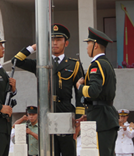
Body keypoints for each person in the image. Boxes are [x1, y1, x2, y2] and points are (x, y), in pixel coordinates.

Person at [13, 23, 85, 156]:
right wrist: (34, 47)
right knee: (49, 151)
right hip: (46, 109)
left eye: (58, 40)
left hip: (65, 110)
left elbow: (80, 93)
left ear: (66, 43)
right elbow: (16, 61)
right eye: (51, 40)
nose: (55, 43)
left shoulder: (74, 64)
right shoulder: (40, 63)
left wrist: (79, 117)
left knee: (68, 150)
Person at [76, 27, 118, 156]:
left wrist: (79, 87)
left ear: (96, 45)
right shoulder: (105, 63)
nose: (87, 47)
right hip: (103, 116)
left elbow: (94, 91)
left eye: (88, 43)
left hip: (101, 119)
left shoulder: (97, 64)